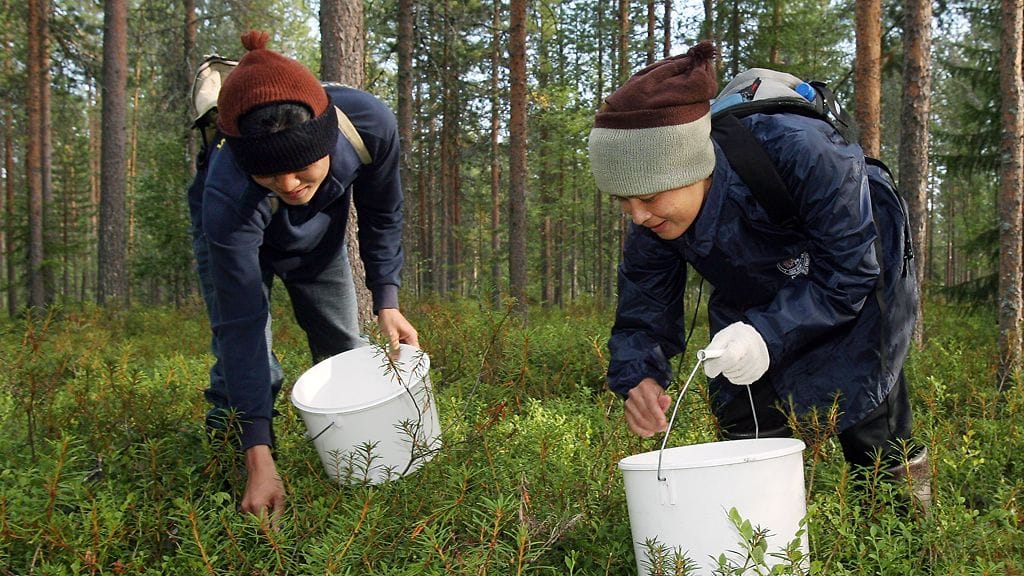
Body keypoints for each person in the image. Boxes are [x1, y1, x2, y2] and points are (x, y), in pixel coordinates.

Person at [587, 42, 929, 503]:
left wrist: (767, 334)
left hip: (859, 270)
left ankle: (906, 529)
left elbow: (849, 272)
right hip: (755, 281)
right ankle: (762, 536)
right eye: (622, 202)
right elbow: (644, 305)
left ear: (693, 167)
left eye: (647, 198)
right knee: (744, 421)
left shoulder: (803, 151)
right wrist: (640, 376)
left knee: (868, 415)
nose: (638, 215)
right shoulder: (653, 216)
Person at [188, 30, 419, 520]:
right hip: (238, 240)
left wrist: (387, 299)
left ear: (325, 140)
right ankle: (236, 467)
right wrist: (259, 457)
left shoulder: (367, 125)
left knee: (344, 349)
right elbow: (241, 323)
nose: (290, 185)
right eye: (270, 176)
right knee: (243, 363)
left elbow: (382, 214)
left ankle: (359, 464)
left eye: (300, 168)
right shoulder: (226, 195)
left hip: (317, 242)